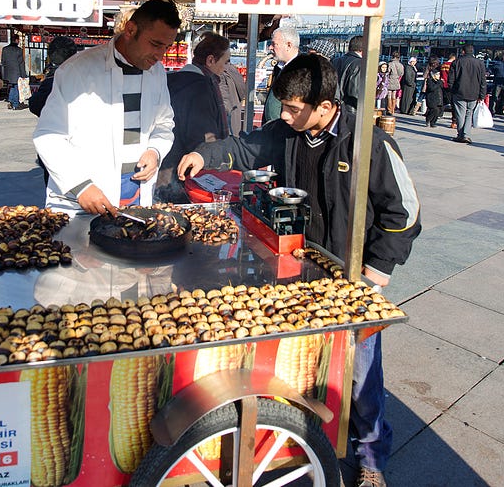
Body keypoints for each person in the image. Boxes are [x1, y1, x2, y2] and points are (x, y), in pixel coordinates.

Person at [175, 54, 421, 487]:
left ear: (324, 107)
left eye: (293, 108)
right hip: (300, 264)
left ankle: (372, 459)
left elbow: (404, 213)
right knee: (303, 360)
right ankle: (304, 438)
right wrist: (203, 154)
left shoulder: (369, 143)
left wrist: (376, 272)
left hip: (351, 275)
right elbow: (244, 145)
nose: (284, 116)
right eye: (283, 106)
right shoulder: (287, 133)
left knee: (361, 370)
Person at [34, 0, 179, 215]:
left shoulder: (157, 72)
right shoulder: (77, 70)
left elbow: (164, 123)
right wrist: (80, 185)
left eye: (167, 47)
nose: (161, 55)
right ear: (130, 30)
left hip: (135, 198)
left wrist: (155, 150)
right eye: (156, 44)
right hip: (82, 200)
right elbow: (48, 135)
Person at [157, 33, 231, 198]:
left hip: (163, 168)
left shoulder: (170, 79)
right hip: (183, 174)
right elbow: (203, 137)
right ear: (210, 60)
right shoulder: (201, 87)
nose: (226, 68)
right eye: (225, 62)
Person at [29, 36, 79, 118]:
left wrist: (33, 97)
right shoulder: (81, 76)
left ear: (55, 54)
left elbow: (36, 105)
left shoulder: (53, 80)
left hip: (58, 125)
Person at [262, 22, 301, 123]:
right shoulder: (279, 68)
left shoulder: (302, 71)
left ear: (288, 45)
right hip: (271, 129)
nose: (270, 47)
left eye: (274, 44)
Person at [448, 45, 486, 144]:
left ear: (463, 51)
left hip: (459, 92)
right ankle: (466, 134)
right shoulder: (480, 63)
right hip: (474, 92)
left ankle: (461, 135)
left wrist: (452, 90)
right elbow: (483, 80)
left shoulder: (456, 62)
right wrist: (482, 95)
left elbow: (451, 79)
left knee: (460, 114)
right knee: (469, 114)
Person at [332, 35, 364, 110]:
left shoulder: (335, 61)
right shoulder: (360, 64)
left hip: (335, 106)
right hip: (350, 110)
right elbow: (355, 92)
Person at [219, 60, 247, 137]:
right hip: (234, 117)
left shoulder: (219, 74)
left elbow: (223, 102)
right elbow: (242, 90)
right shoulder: (232, 70)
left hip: (226, 125)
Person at [1, 32, 28, 110]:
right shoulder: (18, 50)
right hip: (16, 72)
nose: (19, 41)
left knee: (12, 86)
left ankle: (11, 101)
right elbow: (21, 63)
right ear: (16, 40)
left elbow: (3, 61)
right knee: (16, 87)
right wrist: (23, 75)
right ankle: (15, 104)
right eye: (18, 40)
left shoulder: (5, 49)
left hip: (8, 73)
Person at [422, 58, 444, 127]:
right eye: (437, 75)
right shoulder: (430, 80)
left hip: (438, 98)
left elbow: (441, 89)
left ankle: (433, 122)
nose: (438, 76)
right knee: (434, 110)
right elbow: (432, 88)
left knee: (437, 111)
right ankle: (428, 120)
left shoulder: (439, 81)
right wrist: (438, 83)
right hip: (431, 98)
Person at [490, 51, 504, 116]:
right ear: (503, 57)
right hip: (498, 83)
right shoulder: (498, 64)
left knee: (503, 98)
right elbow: (491, 70)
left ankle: (500, 110)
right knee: (495, 97)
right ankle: (492, 111)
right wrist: (488, 72)